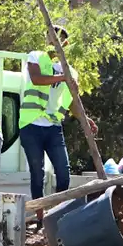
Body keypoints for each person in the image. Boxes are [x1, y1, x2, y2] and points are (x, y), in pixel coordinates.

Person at [19, 27, 96, 221]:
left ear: (66, 44)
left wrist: (84, 119)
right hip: (31, 126)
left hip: (53, 128)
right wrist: (64, 78)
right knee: (38, 174)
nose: (54, 42)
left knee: (63, 173)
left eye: (59, 39)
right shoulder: (36, 56)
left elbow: (70, 102)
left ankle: (57, 216)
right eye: (51, 37)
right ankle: (40, 219)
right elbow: (37, 79)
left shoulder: (69, 70)